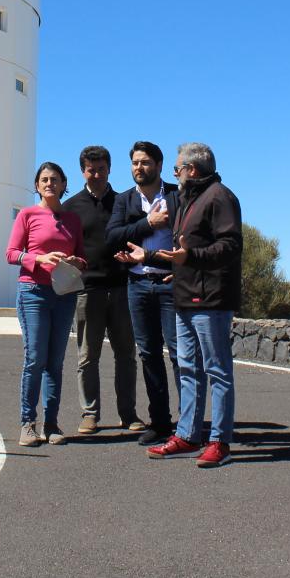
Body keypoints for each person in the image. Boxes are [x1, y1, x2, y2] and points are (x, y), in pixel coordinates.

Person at [127, 143, 241, 469]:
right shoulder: (190, 199)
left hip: (211, 301)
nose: (175, 174)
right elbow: (181, 253)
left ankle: (220, 441)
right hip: (184, 296)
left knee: (217, 371)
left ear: (191, 170)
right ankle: (188, 435)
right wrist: (149, 258)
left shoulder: (220, 197)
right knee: (189, 369)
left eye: (177, 169)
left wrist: (189, 258)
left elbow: (230, 246)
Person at [5, 161, 87, 448]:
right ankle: (28, 424)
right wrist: (38, 259)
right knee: (35, 359)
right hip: (33, 292)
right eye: (44, 179)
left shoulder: (73, 220)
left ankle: (51, 424)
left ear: (64, 184)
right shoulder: (27, 215)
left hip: (64, 293)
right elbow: (11, 253)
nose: (49, 183)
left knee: (55, 362)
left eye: (55, 179)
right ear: (37, 185)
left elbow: (82, 256)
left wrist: (77, 262)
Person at [62, 145, 142, 435]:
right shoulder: (71, 207)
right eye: (90, 169)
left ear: (109, 169)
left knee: (126, 355)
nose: (95, 174)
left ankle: (128, 413)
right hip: (87, 291)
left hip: (122, 288)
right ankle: (90, 414)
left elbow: (135, 237)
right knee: (87, 357)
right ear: (82, 171)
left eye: (101, 169)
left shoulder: (124, 203)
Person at [108, 141, 181, 446]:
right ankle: (161, 422)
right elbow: (112, 237)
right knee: (149, 354)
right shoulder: (125, 200)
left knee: (180, 355)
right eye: (135, 162)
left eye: (146, 162)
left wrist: (185, 268)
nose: (139, 167)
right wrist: (146, 224)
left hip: (170, 284)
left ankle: (189, 422)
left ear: (160, 166)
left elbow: (192, 234)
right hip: (137, 285)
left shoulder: (177, 195)